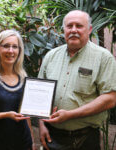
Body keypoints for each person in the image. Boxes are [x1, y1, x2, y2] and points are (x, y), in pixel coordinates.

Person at [38, 10, 116, 150]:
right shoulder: (51, 56)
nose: (73, 30)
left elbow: (110, 98)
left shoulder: (103, 58)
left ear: (89, 29)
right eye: (69, 26)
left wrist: (70, 114)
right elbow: (40, 94)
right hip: (52, 136)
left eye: (79, 26)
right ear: (64, 30)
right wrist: (42, 125)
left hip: (85, 139)